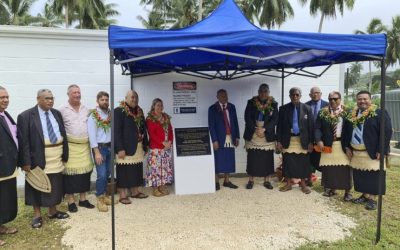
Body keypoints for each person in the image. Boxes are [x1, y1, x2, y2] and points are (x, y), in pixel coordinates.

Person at [18, 89, 69, 229]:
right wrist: (25, 162)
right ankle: (37, 215)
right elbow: (24, 142)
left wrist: (65, 154)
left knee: (55, 185)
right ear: (38, 99)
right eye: (46, 98)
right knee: (36, 185)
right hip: (37, 158)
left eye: (52, 98)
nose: (50, 101)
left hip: (56, 157)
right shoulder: (26, 116)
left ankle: (52, 211)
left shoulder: (57, 113)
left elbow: (63, 134)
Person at [343, 90, 392, 210]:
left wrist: (381, 149)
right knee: (361, 175)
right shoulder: (351, 114)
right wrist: (346, 147)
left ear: (370, 100)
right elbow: (346, 132)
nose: (362, 101)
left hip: (373, 150)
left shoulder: (379, 113)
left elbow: (386, 131)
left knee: (374, 175)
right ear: (356, 100)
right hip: (357, 151)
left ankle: (372, 199)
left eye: (365, 99)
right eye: (360, 99)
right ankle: (364, 195)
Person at [59, 84, 94, 212]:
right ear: (68, 94)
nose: (77, 95)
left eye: (78, 92)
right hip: (70, 146)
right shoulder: (62, 109)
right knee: (70, 176)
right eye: (74, 92)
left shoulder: (86, 109)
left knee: (85, 174)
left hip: (84, 146)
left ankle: (83, 199)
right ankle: (71, 201)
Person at [314, 91, 352, 201]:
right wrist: (318, 140)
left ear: (340, 99)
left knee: (345, 168)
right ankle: (331, 189)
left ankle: (347, 192)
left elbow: (350, 130)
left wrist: (349, 146)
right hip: (328, 144)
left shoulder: (347, 111)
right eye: (330, 99)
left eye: (335, 99)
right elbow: (317, 128)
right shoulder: (323, 112)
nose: (333, 101)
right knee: (329, 168)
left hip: (343, 144)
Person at [277, 87, 314, 194]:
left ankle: (303, 184)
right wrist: (278, 141)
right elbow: (279, 127)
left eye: (297, 95)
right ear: (290, 96)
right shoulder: (283, 109)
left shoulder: (307, 108)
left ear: (300, 96)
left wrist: (311, 142)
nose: (295, 96)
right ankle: (288, 184)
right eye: (293, 95)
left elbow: (311, 127)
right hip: (288, 139)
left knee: (303, 162)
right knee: (288, 161)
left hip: (303, 140)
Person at [115, 90, 149, 204]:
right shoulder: (119, 111)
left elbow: (143, 129)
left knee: (136, 169)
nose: (134, 99)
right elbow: (116, 131)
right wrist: (119, 148)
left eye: (135, 97)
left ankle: (135, 191)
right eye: (132, 97)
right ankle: (122, 195)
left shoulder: (140, 111)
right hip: (124, 147)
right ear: (126, 98)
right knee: (123, 171)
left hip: (138, 146)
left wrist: (145, 145)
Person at [243, 83, 278, 190]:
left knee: (267, 158)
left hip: (267, 133)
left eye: (265, 91)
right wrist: (255, 128)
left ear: (268, 92)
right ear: (258, 92)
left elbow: (275, 119)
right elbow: (247, 117)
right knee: (252, 157)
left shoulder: (273, 103)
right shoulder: (251, 102)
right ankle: (251, 180)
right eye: (261, 91)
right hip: (253, 131)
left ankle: (267, 180)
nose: (263, 94)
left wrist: (264, 129)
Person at [87, 91, 116, 212]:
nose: (105, 102)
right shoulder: (93, 115)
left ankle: (105, 196)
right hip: (99, 148)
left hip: (110, 147)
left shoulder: (110, 114)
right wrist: (96, 152)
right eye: (102, 100)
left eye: (106, 100)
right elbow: (92, 134)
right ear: (98, 101)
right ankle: (100, 199)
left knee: (108, 172)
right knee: (102, 175)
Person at [208, 89, 240, 191]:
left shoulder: (232, 107)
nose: (224, 97)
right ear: (217, 97)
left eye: (225, 95)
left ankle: (227, 181)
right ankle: (216, 181)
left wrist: (237, 136)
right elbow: (211, 126)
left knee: (229, 158)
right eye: (221, 96)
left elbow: (235, 122)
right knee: (217, 159)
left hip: (230, 136)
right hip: (219, 138)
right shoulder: (212, 109)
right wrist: (214, 140)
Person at [0, 86, 18, 245]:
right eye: (1, 97)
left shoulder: (5, 115)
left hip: (8, 165)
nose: (5, 100)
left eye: (7, 97)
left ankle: (1, 227)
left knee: (4, 198)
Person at [145, 98, 174, 197]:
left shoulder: (166, 117)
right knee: (155, 168)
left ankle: (162, 186)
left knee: (164, 167)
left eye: (161, 105)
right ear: (153, 106)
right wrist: (163, 143)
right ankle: (155, 188)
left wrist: (170, 141)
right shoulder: (150, 118)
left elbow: (170, 130)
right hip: (156, 148)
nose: (159, 107)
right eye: (157, 105)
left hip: (166, 148)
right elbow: (152, 134)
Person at [305, 87, 328, 186]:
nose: (315, 95)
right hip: (309, 136)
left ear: (321, 94)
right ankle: (308, 179)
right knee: (309, 158)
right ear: (310, 95)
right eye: (313, 93)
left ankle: (326, 181)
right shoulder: (305, 105)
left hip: (323, 138)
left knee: (324, 159)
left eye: (317, 93)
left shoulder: (327, 105)